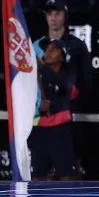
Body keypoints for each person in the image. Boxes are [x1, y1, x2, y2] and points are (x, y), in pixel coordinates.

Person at [31, 39, 79, 180]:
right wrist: (38, 106)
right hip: (39, 129)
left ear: (63, 56)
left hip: (60, 130)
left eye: (54, 49)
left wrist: (44, 68)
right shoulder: (34, 75)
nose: (48, 52)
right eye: (46, 49)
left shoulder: (70, 75)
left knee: (66, 175)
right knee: (38, 175)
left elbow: (66, 88)